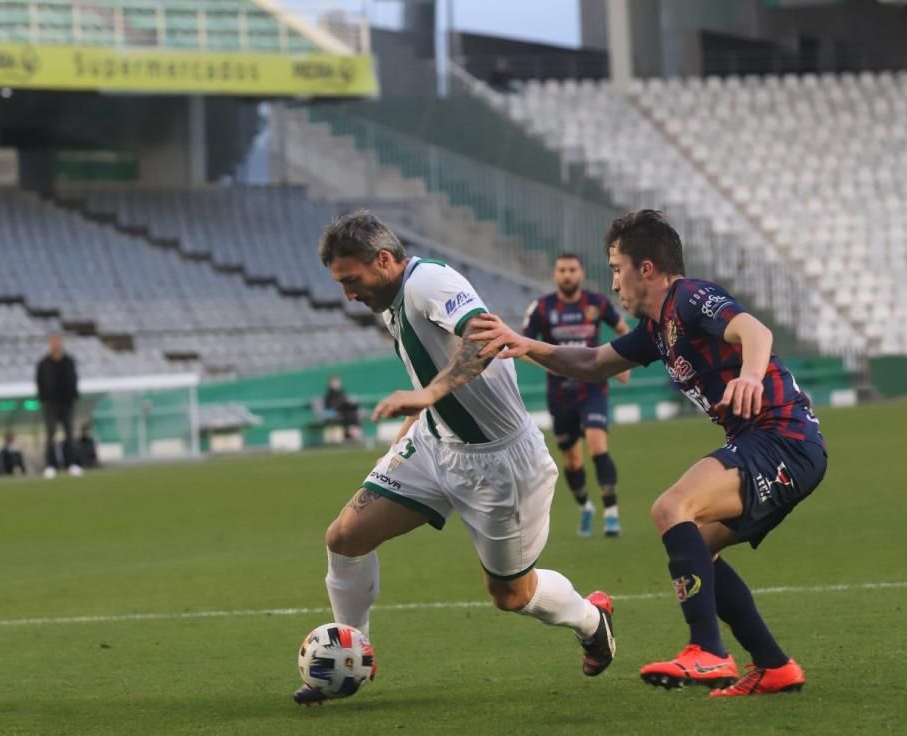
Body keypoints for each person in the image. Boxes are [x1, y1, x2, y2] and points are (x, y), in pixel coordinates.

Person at [471, 210, 827, 697]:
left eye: (617, 268)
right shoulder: (657, 328)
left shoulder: (690, 297)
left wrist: (749, 375)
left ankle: (708, 652)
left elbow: (756, 332)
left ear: (647, 270)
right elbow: (596, 363)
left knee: (670, 508)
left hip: (782, 438)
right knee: (697, 545)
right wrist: (526, 344)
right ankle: (773, 665)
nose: (613, 282)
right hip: (767, 444)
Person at [293, 210, 616, 706]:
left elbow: (485, 336)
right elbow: (430, 378)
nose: (348, 295)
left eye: (352, 280)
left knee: (511, 594)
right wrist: (410, 428)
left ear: (383, 260)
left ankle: (592, 620)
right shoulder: (390, 298)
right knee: (345, 536)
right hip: (432, 443)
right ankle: (352, 655)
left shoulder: (430, 283)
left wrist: (430, 394)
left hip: (500, 464)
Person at [524, 252, 632, 537]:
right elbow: (524, 345)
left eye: (572, 269)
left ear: (581, 273)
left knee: (598, 446)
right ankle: (585, 506)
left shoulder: (596, 303)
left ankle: (611, 512)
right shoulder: (542, 308)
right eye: (562, 270)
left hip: (592, 386)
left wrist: (623, 361)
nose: (567, 275)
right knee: (572, 461)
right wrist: (551, 362)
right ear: (555, 275)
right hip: (560, 394)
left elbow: (623, 329)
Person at [35, 332, 82, 479]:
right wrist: (44, 399)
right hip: (51, 405)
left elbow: (74, 379)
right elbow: (40, 382)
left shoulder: (68, 361)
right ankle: (50, 465)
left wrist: (73, 396)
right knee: (51, 435)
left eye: (57, 342)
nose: (55, 345)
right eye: (52, 342)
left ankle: (72, 464)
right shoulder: (44, 364)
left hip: (67, 403)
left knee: (69, 435)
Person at [322, 374, 361, 441]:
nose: (336, 383)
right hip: (335, 410)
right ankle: (352, 431)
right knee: (349, 411)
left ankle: (352, 430)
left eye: (337, 381)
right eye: (334, 381)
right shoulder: (330, 392)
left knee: (352, 408)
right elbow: (330, 404)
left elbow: (344, 399)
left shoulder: (341, 390)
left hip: (344, 410)